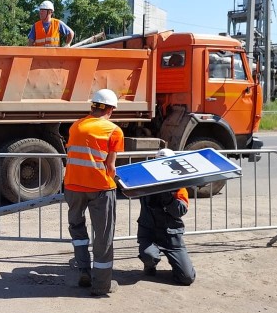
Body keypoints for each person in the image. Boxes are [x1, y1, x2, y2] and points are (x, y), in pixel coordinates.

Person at [64, 89, 124, 296]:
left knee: (78, 229)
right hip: (100, 188)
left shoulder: (76, 126)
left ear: (93, 106)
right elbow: (111, 165)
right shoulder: (114, 130)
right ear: (111, 109)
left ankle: (84, 271)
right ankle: (101, 286)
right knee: (103, 237)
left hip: (73, 186)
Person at [137, 148, 197, 285]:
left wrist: (168, 195)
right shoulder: (146, 181)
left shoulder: (179, 186)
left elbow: (180, 211)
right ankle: (149, 264)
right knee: (149, 256)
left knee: (187, 278)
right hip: (149, 232)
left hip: (170, 235)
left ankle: (180, 266)